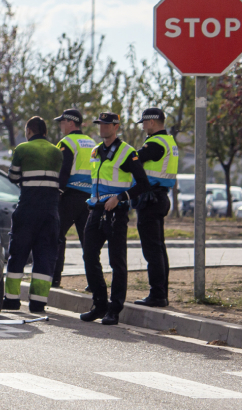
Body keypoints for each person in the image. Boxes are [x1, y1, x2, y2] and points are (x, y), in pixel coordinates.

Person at [80, 112, 152, 326]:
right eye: (100, 123)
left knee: (116, 262)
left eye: (107, 124)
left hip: (116, 213)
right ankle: (99, 303)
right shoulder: (95, 151)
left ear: (116, 127)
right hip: (95, 211)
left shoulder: (127, 152)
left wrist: (121, 197)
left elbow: (143, 184)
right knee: (89, 256)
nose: (102, 127)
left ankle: (114, 308)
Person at [4, 116, 63, 314]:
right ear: (45, 132)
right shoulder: (57, 152)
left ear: (29, 131)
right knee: (45, 256)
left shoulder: (22, 149)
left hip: (28, 210)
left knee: (18, 254)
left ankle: (12, 300)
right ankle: (38, 303)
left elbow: (13, 176)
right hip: (50, 212)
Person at [133, 108, 178, 308]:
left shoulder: (155, 143)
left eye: (144, 122)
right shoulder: (169, 141)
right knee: (158, 249)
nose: (143, 126)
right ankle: (161, 293)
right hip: (159, 197)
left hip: (150, 199)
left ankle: (157, 294)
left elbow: (132, 160)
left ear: (152, 122)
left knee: (152, 250)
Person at [53, 109, 97, 287]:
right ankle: (94, 281)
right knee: (88, 241)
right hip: (89, 197)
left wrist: (58, 192)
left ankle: (55, 278)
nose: (61, 126)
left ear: (71, 123)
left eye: (62, 122)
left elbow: (64, 170)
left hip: (70, 196)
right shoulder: (92, 142)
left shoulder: (67, 142)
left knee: (57, 236)